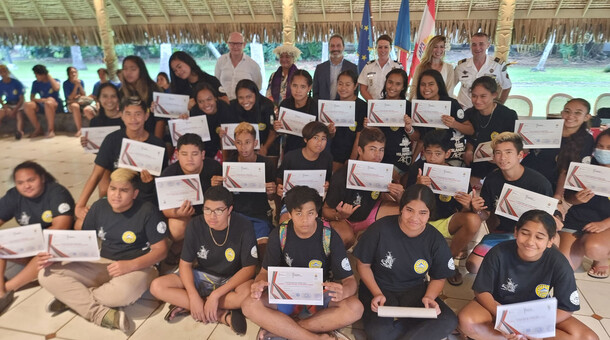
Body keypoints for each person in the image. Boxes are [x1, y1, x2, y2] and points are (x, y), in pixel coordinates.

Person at [38, 168, 168, 334]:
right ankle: (99, 313)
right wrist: (57, 256)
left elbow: (161, 251)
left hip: (140, 266)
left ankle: (73, 299)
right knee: (46, 274)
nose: (116, 195)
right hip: (103, 262)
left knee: (119, 295)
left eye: (124, 190)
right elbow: (82, 244)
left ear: (135, 193)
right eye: (113, 189)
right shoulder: (99, 207)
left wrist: (130, 265)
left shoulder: (147, 210)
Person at [242, 186, 363, 340]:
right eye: (299, 213)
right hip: (286, 293)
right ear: (290, 213)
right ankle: (314, 337)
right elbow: (264, 272)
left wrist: (344, 292)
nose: (305, 220)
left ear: (317, 213)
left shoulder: (329, 236)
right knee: (249, 305)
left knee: (355, 308)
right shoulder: (280, 233)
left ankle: (286, 329)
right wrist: (258, 284)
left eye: (310, 213)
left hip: (318, 293)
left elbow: (350, 281)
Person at [458, 210, 598, 340]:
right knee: (467, 320)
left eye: (539, 237)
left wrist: (533, 326)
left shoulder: (559, 263)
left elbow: (566, 308)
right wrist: (504, 318)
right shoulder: (498, 252)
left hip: (536, 312)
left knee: (589, 338)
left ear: (550, 241)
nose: (530, 242)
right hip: (499, 306)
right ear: (516, 232)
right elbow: (481, 290)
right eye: (525, 233)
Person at [354, 184, 459, 340]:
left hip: (414, 289)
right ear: (401, 208)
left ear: (430, 214)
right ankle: (415, 332)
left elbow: (438, 277)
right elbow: (363, 265)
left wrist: (429, 297)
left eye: (423, 213)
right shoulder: (380, 229)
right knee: (378, 332)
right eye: (409, 210)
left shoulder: (435, 239)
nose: (415, 218)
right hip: (380, 287)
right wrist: (376, 293)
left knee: (448, 321)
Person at [149, 186, 256, 335]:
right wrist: (193, 296)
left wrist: (216, 295)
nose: (212, 216)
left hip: (230, 280)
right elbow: (185, 264)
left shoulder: (243, 225)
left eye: (219, 210)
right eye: (207, 209)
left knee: (248, 296)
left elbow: (249, 269)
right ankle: (220, 314)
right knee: (157, 286)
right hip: (203, 275)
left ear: (229, 209)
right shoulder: (195, 224)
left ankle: (195, 306)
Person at [74, 97, 167, 230]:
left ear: (146, 116)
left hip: (145, 198)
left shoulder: (157, 145)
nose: (133, 119)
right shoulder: (112, 139)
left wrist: (149, 182)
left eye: (138, 114)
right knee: (80, 224)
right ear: (122, 116)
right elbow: (96, 175)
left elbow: (163, 183)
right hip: (118, 196)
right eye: (128, 114)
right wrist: (80, 205)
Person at [467, 132, 553, 274]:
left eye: (508, 152)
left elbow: (549, 221)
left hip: (530, 236)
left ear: (520, 155)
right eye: (498, 153)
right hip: (503, 233)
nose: (503, 158)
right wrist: (477, 209)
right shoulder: (492, 179)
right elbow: (485, 215)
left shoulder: (539, 183)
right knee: (473, 266)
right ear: (493, 157)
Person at [406, 130, 481, 285]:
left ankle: (446, 261)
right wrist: (418, 187)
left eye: (437, 153)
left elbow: (463, 211)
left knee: (473, 220)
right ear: (423, 152)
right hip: (418, 220)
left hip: (444, 221)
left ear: (448, 153)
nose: (432, 158)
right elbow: (405, 202)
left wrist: (467, 205)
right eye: (428, 153)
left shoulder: (457, 174)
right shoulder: (417, 169)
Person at [0, 161, 74, 313]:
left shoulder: (56, 192)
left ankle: (8, 288)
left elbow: (61, 227)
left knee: (46, 250)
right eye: (20, 183)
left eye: (31, 180)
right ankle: (1, 291)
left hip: (60, 245)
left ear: (42, 178)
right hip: (30, 244)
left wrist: (25, 241)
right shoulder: (14, 195)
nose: (26, 186)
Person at [323, 127, 403, 248]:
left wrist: (400, 195)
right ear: (360, 150)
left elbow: (387, 197)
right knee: (345, 237)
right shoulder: (342, 175)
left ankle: (367, 237)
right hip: (344, 219)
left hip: (368, 214)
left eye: (381, 150)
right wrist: (340, 215)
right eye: (372, 149)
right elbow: (325, 210)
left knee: (404, 213)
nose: (378, 155)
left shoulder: (382, 171)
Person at [211, 123, 276, 256]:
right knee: (230, 251)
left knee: (263, 251)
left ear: (255, 143)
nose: (243, 147)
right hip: (235, 214)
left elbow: (271, 198)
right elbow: (222, 197)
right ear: (234, 143)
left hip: (259, 214)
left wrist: (271, 193)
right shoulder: (228, 165)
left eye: (248, 142)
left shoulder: (267, 164)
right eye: (239, 142)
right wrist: (216, 186)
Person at [160, 133, 222, 264]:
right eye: (184, 154)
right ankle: (175, 251)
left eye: (194, 154)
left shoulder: (215, 168)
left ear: (203, 155)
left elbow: (226, 200)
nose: (189, 159)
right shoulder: (168, 175)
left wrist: (219, 187)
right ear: (177, 155)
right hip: (185, 217)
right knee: (177, 227)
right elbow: (165, 209)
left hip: (209, 215)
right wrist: (177, 213)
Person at [559, 129, 610, 279]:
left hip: (604, 224)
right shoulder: (585, 166)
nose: (603, 151)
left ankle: (601, 257)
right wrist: (576, 199)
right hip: (576, 221)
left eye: (609, 148)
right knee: (564, 268)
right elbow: (568, 197)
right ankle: (582, 245)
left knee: (594, 248)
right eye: (600, 146)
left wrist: (604, 224)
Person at [522, 98, 594, 201]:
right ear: (562, 112)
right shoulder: (547, 128)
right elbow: (525, 150)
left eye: (578, 113)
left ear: (586, 117)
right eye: (567, 111)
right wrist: (523, 140)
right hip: (525, 174)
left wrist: (558, 195)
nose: (570, 116)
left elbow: (566, 170)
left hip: (548, 184)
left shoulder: (586, 140)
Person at [463, 76, 517, 189]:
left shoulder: (508, 115)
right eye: (474, 96)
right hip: (474, 162)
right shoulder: (469, 113)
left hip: (499, 162)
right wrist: (468, 149)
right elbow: (469, 137)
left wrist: (500, 157)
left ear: (494, 95)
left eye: (483, 96)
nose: (477, 101)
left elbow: (514, 143)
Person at [364, 69, 416, 181]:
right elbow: (373, 135)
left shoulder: (409, 107)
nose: (392, 87)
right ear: (385, 82)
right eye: (390, 82)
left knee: (388, 184)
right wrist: (369, 128)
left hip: (400, 158)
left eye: (398, 84)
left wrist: (409, 128)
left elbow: (417, 137)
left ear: (403, 87)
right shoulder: (376, 105)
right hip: (378, 155)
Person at [413, 69, 473, 166]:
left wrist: (454, 124)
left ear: (439, 85)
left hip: (452, 157)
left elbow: (470, 130)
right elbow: (421, 139)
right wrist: (412, 162)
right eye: (423, 84)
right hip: (431, 157)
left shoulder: (451, 103)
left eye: (431, 84)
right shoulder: (419, 107)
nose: (426, 88)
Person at [276, 121, 333, 223]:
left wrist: (327, 185)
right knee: (284, 224)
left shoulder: (327, 158)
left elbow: (328, 179)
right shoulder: (291, 157)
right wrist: (279, 187)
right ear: (306, 139)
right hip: (292, 201)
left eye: (323, 138)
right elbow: (280, 178)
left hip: (315, 203)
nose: (319, 142)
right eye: (315, 138)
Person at [454, 32, 512, 109]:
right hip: (464, 110)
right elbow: (449, 86)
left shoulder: (497, 65)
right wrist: (454, 104)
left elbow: (507, 86)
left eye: (481, 44)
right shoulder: (461, 66)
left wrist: (499, 105)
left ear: (488, 45)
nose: (477, 48)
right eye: (474, 44)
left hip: (486, 112)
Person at [275, 70, 327, 154]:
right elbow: (280, 131)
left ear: (309, 88)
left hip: (311, 152)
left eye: (302, 87)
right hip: (290, 149)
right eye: (294, 86)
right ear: (290, 85)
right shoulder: (285, 104)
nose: (298, 90)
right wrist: (277, 127)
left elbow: (322, 134)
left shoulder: (316, 107)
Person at [189, 83, 240, 162]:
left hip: (223, 150)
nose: (206, 104)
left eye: (209, 99)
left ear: (215, 98)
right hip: (203, 150)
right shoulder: (195, 111)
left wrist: (223, 135)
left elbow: (232, 139)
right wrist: (184, 119)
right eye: (200, 101)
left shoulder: (225, 109)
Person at [229, 79, 278, 160]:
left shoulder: (267, 105)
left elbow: (272, 131)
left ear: (256, 94)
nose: (245, 101)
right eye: (241, 98)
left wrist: (265, 148)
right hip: (240, 150)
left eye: (249, 97)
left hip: (263, 148)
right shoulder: (232, 107)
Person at [329, 69, 367, 172]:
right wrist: (331, 131)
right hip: (334, 154)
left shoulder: (362, 107)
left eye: (347, 84)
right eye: (340, 84)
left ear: (355, 86)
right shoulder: (332, 105)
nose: (343, 88)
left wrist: (352, 159)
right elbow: (329, 135)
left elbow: (360, 136)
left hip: (353, 154)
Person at [120, 56, 163, 137]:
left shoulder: (153, 89)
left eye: (133, 69)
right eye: (125, 69)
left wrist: (157, 142)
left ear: (141, 70)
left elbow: (160, 121)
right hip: (127, 137)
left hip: (150, 135)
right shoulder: (121, 91)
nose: (128, 72)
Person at [214, 32, 263, 101]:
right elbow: (217, 82)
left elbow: (257, 87)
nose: (235, 46)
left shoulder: (253, 65)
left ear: (244, 45)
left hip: (243, 104)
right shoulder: (221, 61)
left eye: (239, 44)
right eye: (232, 43)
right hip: (224, 103)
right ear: (228, 44)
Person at [409, 35, 456, 100]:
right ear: (430, 48)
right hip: (422, 104)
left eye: (441, 47)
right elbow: (414, 88)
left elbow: (450, 90)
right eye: (435, 47)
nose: (438, 50)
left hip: (442, 105)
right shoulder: (420, 67)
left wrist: (445, 105)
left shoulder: (449, 68)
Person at [22, 64, 63, 138]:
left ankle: (51, 130)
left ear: (43, 74)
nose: (36, 77)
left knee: (49, 102)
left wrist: (48, 75)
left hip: (55, 104)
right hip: (43, 103)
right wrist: (42, 100)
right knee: (27, 104)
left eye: (37, 75)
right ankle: (38, 128)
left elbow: (57, 88)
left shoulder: (55, 80)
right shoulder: (35, 83)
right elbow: (32, 98)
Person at [312, 34, 358, 100]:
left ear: (343, 47)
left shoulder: (353, 68)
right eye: (332, 46)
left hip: (345, 107)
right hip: (323, 108)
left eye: (338, 45)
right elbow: (315, 93)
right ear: (329, 48)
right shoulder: (320, 68)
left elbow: (355, 92)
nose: (335, 48)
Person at [358, 35, 403, 100]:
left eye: (386, 47)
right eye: (380, 47)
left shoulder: (397, 67)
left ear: (390, 48)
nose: (383, 50)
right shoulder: (368, 67)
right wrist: (373, 104)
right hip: (372, 105)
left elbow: (402, 88)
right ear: (376, 48)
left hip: (392, 105)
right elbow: (362, 89)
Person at [0, 64, 26, 139]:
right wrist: (5, 107)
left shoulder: (16, 83)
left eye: (4, 71)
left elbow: (22, 98)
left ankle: (19, 131)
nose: (3, 74)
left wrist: (15, 109)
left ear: (8, 72)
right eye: (1, 72)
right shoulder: (0, 84)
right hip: (8, 103)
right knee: (1, 112)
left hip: (18, 103)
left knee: (19, 114)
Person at [63, 66, 89, 137]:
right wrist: (76, 86)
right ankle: (79, 129)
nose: (74, 74)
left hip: (81, 101)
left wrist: (79, 85)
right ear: (68, 74)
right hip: (70, 104)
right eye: (72, 73)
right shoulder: (66, 83)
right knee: (75, 106)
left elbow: (83, 94)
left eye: (75, 72)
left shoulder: (81, 82)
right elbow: (70, 97)